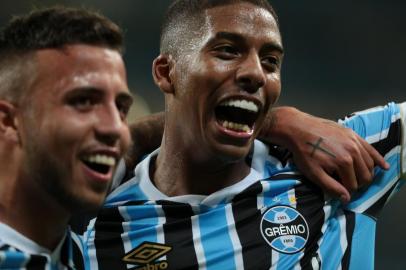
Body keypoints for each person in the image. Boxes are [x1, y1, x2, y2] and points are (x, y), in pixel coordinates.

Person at [83, 0, 404, 269]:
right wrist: (275, 122)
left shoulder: (328, 161)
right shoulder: (100, 231)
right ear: (167, 73)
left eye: (270, 61)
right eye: (227, 51)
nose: (255, 73)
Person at [0, 6, 133, 269]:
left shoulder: (76, 249)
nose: (115, 128)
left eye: (121, 108)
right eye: (83, 101)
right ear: (9, 121)